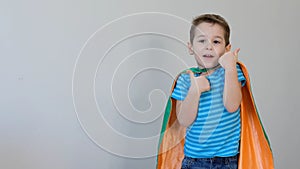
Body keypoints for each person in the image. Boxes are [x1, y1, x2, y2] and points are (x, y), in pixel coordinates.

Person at [156, 14, 274, 169]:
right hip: (195, 161)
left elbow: (232, 105)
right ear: (191, 47)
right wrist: (195, 91)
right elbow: (184, 120)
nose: (209, 46)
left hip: (228, 160)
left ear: (227, 48)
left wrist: (230, 67)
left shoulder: (231, 72)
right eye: (202, 40)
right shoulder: (186, 79)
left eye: (216, 41)